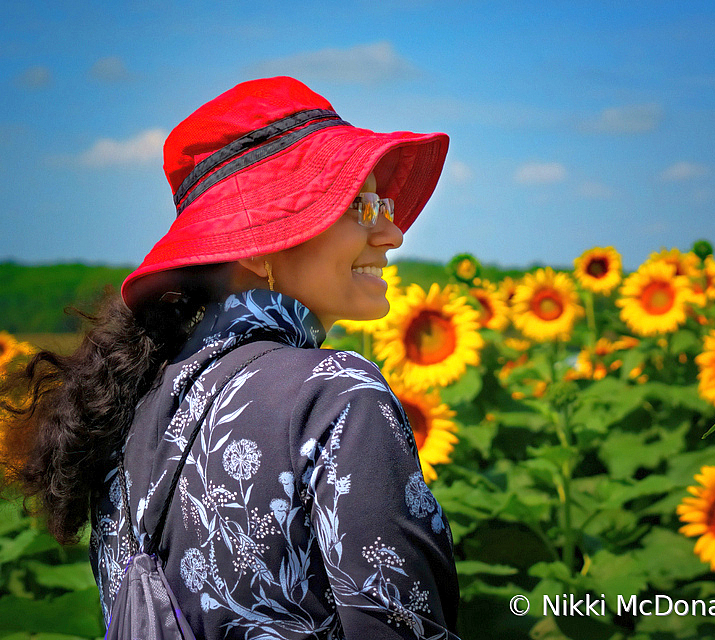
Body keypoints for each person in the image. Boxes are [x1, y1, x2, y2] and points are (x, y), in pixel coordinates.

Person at [1, 77, 460, 639]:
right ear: (266, 241)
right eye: (360, 207)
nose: (391, 233)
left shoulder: (130, 400)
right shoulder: (336, 395)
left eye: (382, 204)